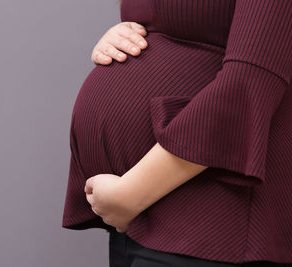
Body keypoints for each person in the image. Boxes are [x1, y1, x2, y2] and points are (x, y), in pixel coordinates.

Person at [62, 0, 292, 266]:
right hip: (141, 218)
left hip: (211, 219)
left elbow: (250, 80)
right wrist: (121, 37)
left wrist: (130, 194)